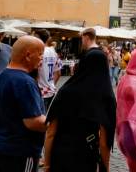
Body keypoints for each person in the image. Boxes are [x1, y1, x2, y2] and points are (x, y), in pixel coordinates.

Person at [43, 35, 116, 172]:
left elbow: (51, 132)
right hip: (85, 156)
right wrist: (105, 168)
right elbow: (104, 143)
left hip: (60, 155)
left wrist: (47, 165)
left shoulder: (66, 90)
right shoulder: (105, 96)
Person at [0, 36, 47, 171]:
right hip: (19, 152)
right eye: (40, 53)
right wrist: (56, 122)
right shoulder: (25, 82)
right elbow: (33, 121)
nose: (42, 58)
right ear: (28, 55)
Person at [33, 30, 61, 112]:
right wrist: (51, 85)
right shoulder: (54, 52)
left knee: (39, 119)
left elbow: (34, 73)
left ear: (38, 38)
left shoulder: (38, 53)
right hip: (51, 90)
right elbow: (58, 73)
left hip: (40, 92)